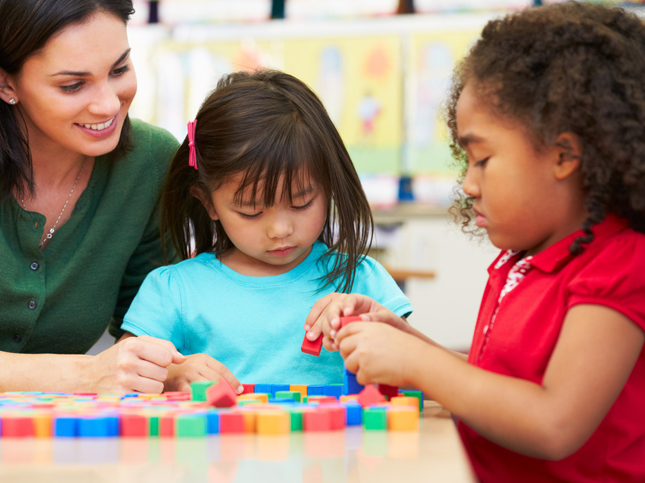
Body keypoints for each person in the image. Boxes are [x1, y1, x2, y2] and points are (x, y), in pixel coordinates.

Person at [308, 3, 645, 482]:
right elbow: (494, 387)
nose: (467, 184)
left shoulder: (620, 266)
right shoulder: (521, 263)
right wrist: (403, 341)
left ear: (564, 155)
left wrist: (417, 363)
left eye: (482, 159)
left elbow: (553, 423)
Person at [0, 0, 187, 394]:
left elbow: (152, 330)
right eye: (72, 84)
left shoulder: (150, 162)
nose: (108, 103)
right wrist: (87, 375)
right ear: (4, 83)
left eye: (119, 69)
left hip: (61, 440)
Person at [120, 70, 412, 392]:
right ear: (208, 203)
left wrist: (369, 329)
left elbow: (416, 371)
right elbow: (120, 377)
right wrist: (172, 375)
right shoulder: (175, 292)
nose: (280, 229)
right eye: (251, 211)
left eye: (302, 203)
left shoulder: (360, 281)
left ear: (329, 186)